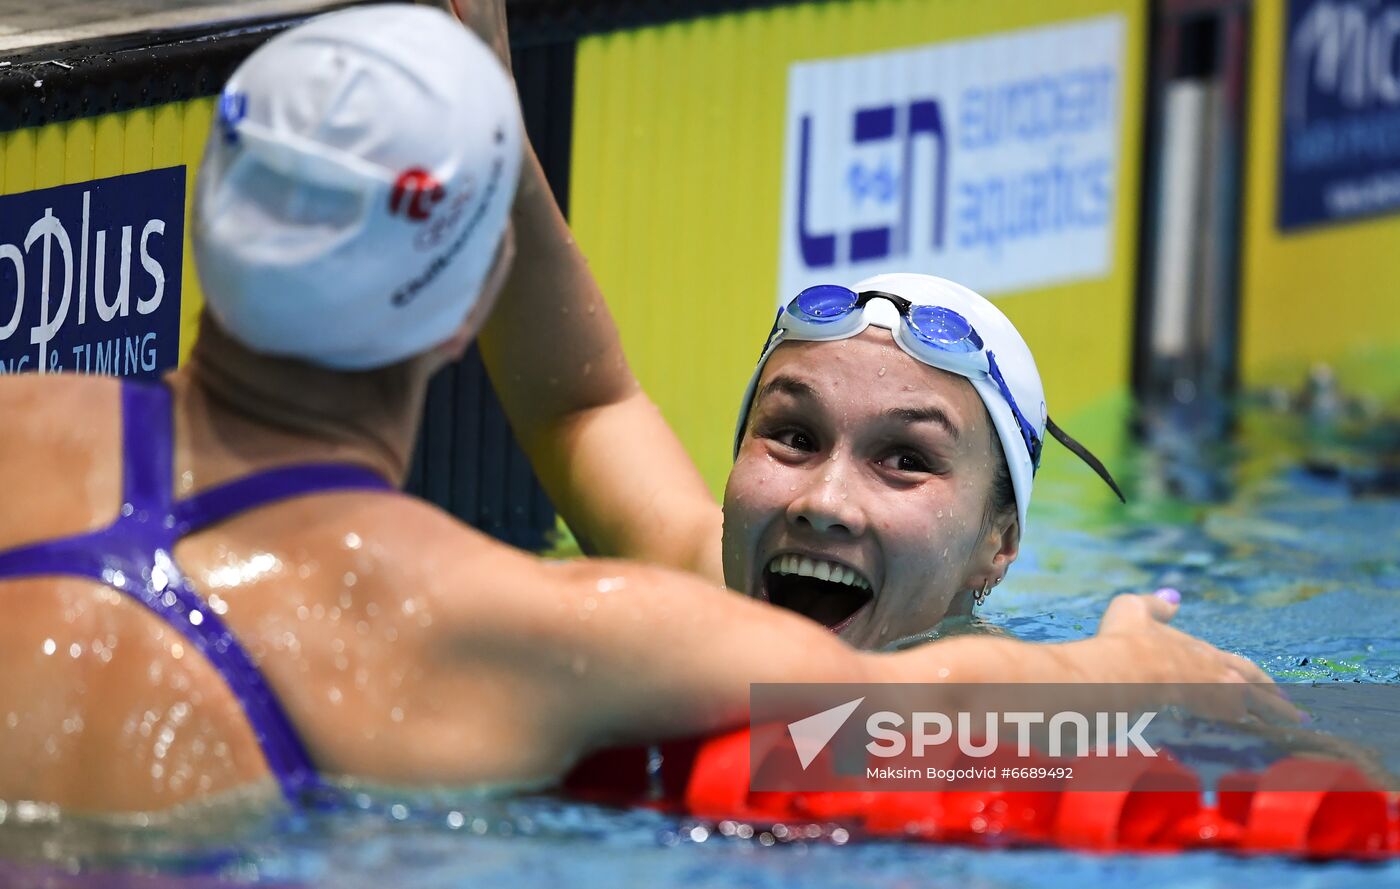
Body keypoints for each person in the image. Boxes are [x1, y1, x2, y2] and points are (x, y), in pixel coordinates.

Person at [0, 5, 1285, 815]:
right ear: (466, 310)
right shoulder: (538, 625)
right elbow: (875, 723)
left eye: (904, 459)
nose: (825, 497)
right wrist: (1127, 673)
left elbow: (588, 403)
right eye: (787, 432)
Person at [723, 273, 1123, 650]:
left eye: (906, 461)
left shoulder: (1027, 717)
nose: (824, 504)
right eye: (795, 439)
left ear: (999, 544)